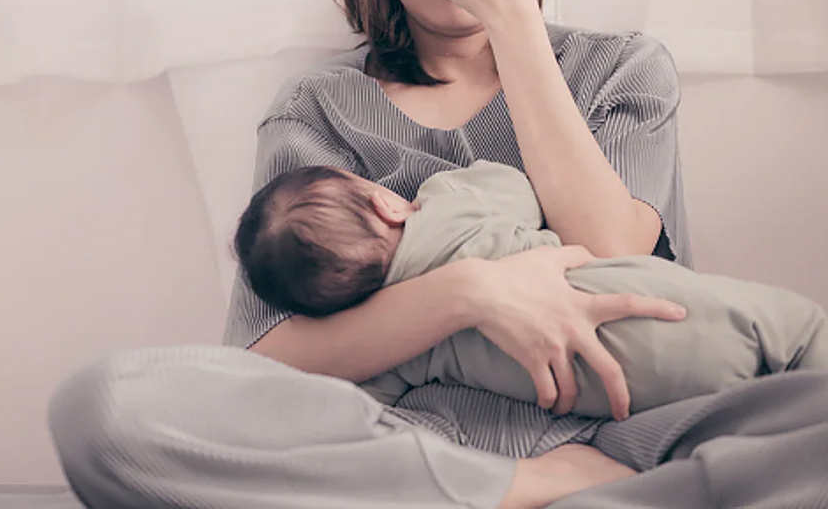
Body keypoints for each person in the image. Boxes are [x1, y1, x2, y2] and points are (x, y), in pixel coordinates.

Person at [48, 0, 828, 508]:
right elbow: (271, 360)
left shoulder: (619, 67)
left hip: (637, 434)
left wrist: (507, 10)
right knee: (106, 407)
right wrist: (473, 294)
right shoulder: (321, 107)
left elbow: (608, 242)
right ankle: (523, 487)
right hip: (403, 450)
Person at [234, 159, 828, 416]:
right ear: (385, 203)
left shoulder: (397, 352)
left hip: (648, 399)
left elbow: (358, 405)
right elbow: (516, 186)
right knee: (801, 334)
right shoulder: (447, 204)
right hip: (677, 309)